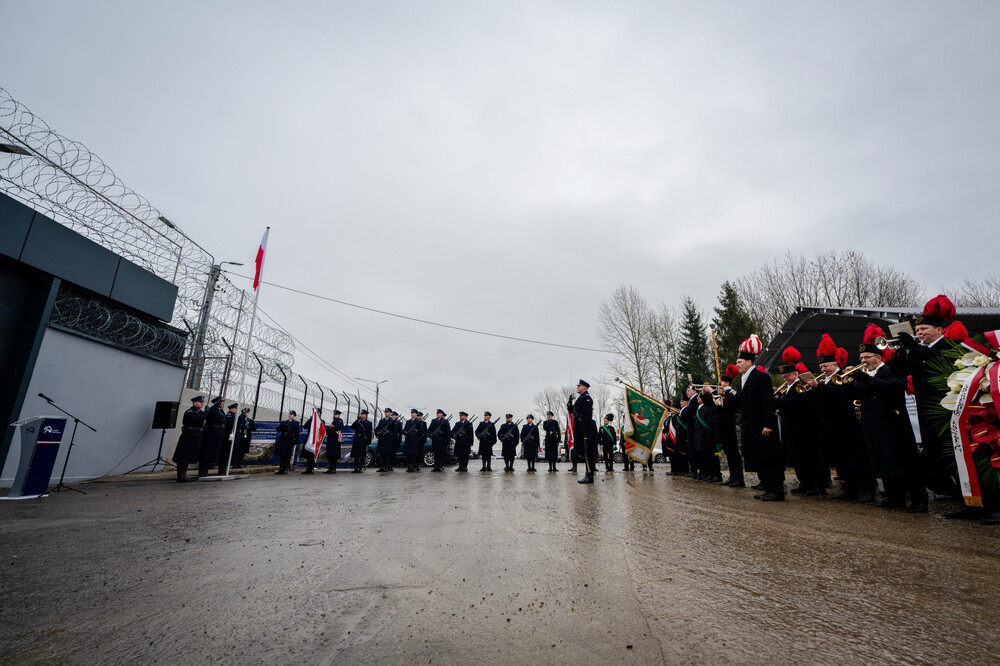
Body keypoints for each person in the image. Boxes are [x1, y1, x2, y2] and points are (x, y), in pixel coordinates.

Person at [849, 324, 928, 513]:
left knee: (904, 461)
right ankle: (894, 497)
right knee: (883, 461)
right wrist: (850, 382)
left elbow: (895, 387)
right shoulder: (866, 375)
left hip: (893, 424)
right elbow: (857, 395)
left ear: (878, 357)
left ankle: (918, 499)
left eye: (868, 357)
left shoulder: (891, 369)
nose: (864, 361)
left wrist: (866, 379)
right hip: (873, 424)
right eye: (862, 358)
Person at [897, 295, 962, 500]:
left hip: (946, 411)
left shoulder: (950, 346)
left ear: (939, 330)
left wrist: (913, 347)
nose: (919, 333)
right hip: (926, 410)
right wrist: (900, 353)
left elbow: (939, 360)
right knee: (933, 453)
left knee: (950, 453)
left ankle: (963, 492)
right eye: (917, 330)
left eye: (924, 329)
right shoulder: (918, 351)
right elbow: (900, 371)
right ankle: (947, 489)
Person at [804, 335, 875, 502]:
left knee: (853, 459)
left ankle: (865, 489)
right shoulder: (825, 380)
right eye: (821, 367)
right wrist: (813, 389)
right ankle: (849, 488)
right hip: (829, 426)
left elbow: (842, 394)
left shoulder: (844, 376)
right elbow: (814, 400)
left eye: (826, 366)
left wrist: (819, 386)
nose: (823, 369)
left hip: (845, 425)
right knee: (841, 460)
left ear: (835, 364)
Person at [729, 335, 783, 501]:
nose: (737, 365)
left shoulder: (761, 377)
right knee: (759, 459)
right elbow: (741, 402)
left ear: (749, 362)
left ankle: (776, 490)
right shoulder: (741, 380)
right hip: (750, 426)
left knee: (769, 458)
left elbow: (768, 402)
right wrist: (727, 395)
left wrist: (768, 424)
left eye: (740, 362)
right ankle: (767, 487)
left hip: (762, 426)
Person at [775, 348, 824, 495]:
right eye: (784, 377)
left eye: (787, 376)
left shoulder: (800, 386)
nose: (785, 379)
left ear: (795, 374)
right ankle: (804, 482)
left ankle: (815, 484)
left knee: (807, 457)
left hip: (802, 428)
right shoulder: (788, 388)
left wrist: (777, 401)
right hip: (791, 427)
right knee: (797, 457)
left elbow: (794, 403)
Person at [717, 369, 743, 487]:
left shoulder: (731, 392)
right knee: (728, 453)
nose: (720, 383)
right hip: (722, 427)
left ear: (727, 383)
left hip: (729, 426)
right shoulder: (720, 393)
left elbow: (736, 401)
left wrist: (724, 393)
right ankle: (732, 476)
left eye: (722, 381)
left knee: (734, 453)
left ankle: (739, 478)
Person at [570, 379, 598, 484]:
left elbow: (587, 414)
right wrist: (569, 402)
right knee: (584, 451)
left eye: (579, 386)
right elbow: (572, 412)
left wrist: (585, 428)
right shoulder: (581, 398)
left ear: (584, 388)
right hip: (580, 427)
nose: (577, 387)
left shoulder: (586, 398)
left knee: (588, 452)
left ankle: (589, 475)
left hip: (585, 427)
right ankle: (588, 474)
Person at [173, 395, 205, 482]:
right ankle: (180, 476)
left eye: (202, 402)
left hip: (195, 436)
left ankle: (184, 475)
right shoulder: (190, 412)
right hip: (188, 435)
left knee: (188, 456)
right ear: (194, 403)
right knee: (183, 455)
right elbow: (197, 419)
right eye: (200, 402)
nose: (202, 404)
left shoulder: (200, 412)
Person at [693, 383, 721, 482]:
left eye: (699, 397)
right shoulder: (699, 408)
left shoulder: (708, 407)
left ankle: (716, 474)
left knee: (712, 457)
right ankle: (709, 473)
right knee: (706, 457)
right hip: (701, 436)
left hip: (708, 436)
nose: (698, 398)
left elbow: (709, 422)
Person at [198, 396, 226, 478]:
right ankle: (203, 471)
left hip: (218, 433)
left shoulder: (220, 411)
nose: (222, 403)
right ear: (215, 402)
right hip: (211, 433)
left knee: (212, 452)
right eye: (220, 401)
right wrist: (216, 405)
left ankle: (206, 470)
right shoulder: (212, 410)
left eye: (222, 401)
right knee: (207, 452)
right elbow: (209, 413)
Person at [666, 396, 689, 476]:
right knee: (673, 456)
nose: (671, 410)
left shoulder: (677, 417)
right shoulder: (671, 418)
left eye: (673, 408)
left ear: (677, 409)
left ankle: (683, 470)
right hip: (672, 440)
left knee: (681, 456)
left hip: (678, 439)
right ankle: (674, 469)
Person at [274, 410, 300, 475]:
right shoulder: (284, 422)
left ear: (294, 416)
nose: (290, 415)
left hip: (289, 440)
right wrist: (284, 424)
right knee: (282, 455)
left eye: (291, 414)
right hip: (283, 439)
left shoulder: (296, 423)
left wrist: (295, 441)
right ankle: (281, 468)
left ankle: (285, 468)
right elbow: (278, 429)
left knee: (287, 455)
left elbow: (297, 433)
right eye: (290, 414)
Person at [300, 408, 324, 474]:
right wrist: (311, 419)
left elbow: (322, 430)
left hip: (316, 440)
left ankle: (312, 468)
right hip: (309, 439)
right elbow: (305, 426)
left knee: (313, 454)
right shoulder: (311, 420)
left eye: (318, 412)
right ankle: (308, 469)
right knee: (308, 454)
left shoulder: (321, 421)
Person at [324, 409, 343, 473]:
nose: (334, 415)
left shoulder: (340, 421)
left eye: (335, 414)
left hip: (335, 439)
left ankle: (333, 468)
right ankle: (330, 468)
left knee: (334, 455)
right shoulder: (333, 422)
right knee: (330, 454)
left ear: (338, 415)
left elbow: (337, 427)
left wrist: (328, 430)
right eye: (334, 414)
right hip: (330, 439)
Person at [221, 403, 238, 473]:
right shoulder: (229, 415)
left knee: (229, 453)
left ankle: (225, 469)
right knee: (225, 452)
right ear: (231, 409)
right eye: (236, 409)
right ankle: (222, 469)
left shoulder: (234, 415)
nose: (236, 410)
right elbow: (231, 422)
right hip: (227, 434)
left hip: (232, 434)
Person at [375, 408, 394, 472]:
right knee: (382, 455)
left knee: (387, 455)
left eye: (387, 412)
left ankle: (386, 467)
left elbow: (395, 431)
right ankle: (381, 467)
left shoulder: (392, 421)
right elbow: (377, 429)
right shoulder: (381, 421)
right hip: (382, 440)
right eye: (385, 412)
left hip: (388, 440)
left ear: (390, 413)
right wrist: (377, 433)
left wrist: (390, 436)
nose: (386, 413)